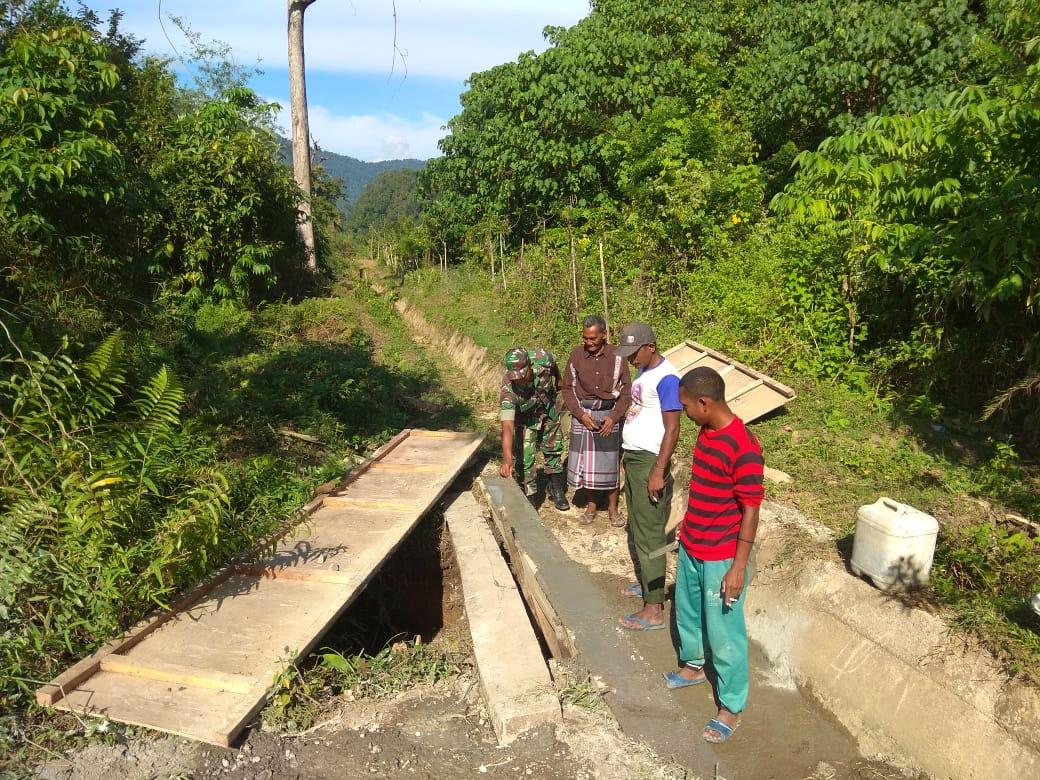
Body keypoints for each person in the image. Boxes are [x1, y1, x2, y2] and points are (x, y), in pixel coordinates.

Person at [663, 366, 764, 745]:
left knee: (725, 632)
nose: (685, 413)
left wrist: (738, 567)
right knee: (687, 611)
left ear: (704, 403)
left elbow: (750, 509)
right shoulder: (706, 433)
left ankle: (731, 705)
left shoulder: (744, 447)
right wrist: (685, 531)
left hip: (722, 556)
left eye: (687, 406)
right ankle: (692, 665)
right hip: (693, 545)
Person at [613, 322, 682, 631]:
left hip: (650, 463)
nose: (630, 359)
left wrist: (658, 470)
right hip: (637, 459)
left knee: (651, 532)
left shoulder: (667, 378)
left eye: (634, 353)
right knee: (639, 528)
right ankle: (648, 586)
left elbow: (673, 428)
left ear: (650, 346)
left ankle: (654, 609)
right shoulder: (646, 372)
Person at [561, 315, 632, 526]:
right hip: (584, 415)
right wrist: (580, 415)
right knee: (587, 463)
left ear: (604, 335)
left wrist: (614, 417)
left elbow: (627, 391)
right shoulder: (576, 355)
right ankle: (591, 506)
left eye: (593, 338)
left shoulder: (618, 357)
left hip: (609, 414)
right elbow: (567, 388)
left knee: (610, 462)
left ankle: (613, 508)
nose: (589, 343)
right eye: (586, 338)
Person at [498, 346, 570, 511]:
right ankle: (529, 494)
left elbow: (553, 366)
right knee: (525, 456)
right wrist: (507, 458)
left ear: (530, 366)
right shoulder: (508, 388)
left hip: (548, 407)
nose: (519, 381)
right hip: (526, 417)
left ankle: (555, 486)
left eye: (522, 376)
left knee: (553, 446)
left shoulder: (542, 358)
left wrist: (558, 380)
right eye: (515, 377)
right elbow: (507, 426)